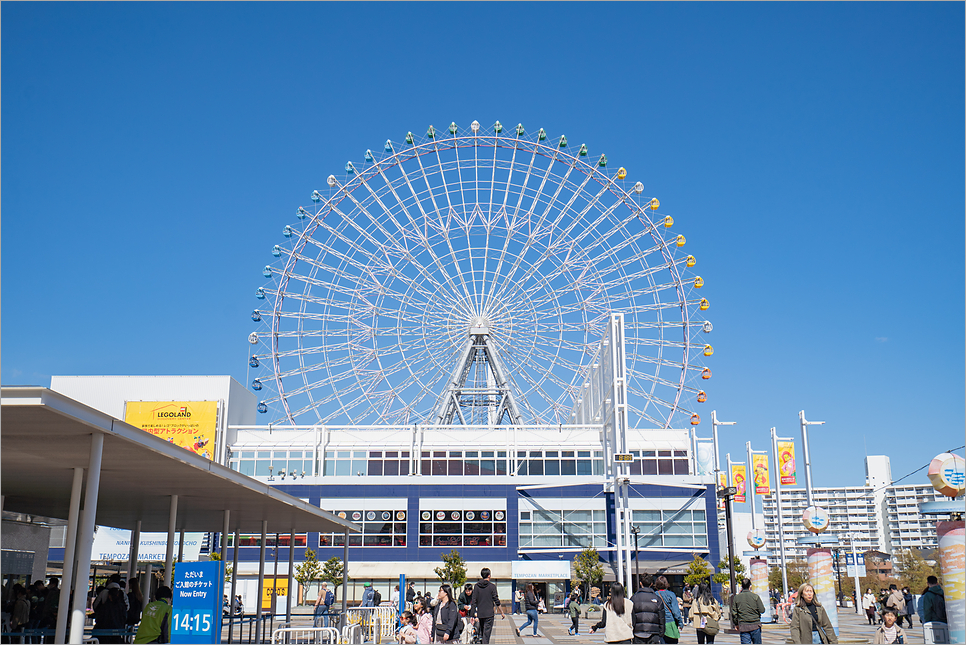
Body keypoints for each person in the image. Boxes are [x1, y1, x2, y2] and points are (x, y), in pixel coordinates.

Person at [468, 567, 503, 644]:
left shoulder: (476, 586)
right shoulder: (492, 586)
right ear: (489, 576)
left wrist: (472, 615)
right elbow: (496, 600)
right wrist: (502, 612)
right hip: (489, 614)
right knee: (486, 635)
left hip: (480, 614)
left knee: (482, 634)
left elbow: (473, 601)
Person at [629, 574, 665, 644]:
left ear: (640, 583)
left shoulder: (634, 598)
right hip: (653, 632)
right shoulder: (657, 599)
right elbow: (662, 617)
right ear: (651, 584)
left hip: (638, 632)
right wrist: (661, 632)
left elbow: (631, 617)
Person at [731, 577, 766, 644]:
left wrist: (736, 624)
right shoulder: (755, 597)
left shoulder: (737, 598)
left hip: (743, 625)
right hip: (755, 625)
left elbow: (734, 613)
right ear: (750, 586)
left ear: (742, 586)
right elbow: (762, 610)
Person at [655, 576, 683, 644]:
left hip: (658, 624)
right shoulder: (671, 595)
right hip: (670, 623)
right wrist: (680, 623)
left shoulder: (654, 594)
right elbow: (676, 611)